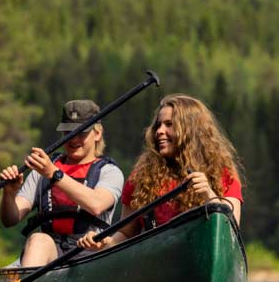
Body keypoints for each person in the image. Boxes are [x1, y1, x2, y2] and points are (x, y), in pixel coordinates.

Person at [78, 94, 242, 252]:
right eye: (158, 125)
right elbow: (127, 233)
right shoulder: (142, 176)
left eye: (169, 124)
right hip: (158, 261)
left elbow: (230, 228)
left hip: (200, 251)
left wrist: (209, 194)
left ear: (191, 130)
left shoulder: (221, 172)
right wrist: (105, 243)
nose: (159, 131)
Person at [0, 99, 124, 266]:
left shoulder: (109, 172)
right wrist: (9, 193)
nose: (73, 139)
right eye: (68, 132)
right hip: (49, 253)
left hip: (89, 254)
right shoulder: (42, 171)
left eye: (81, 132)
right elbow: (10, 219)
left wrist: (54, 174)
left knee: (41, 241)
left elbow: (96, 204)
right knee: (38, 239)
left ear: (98, 133)